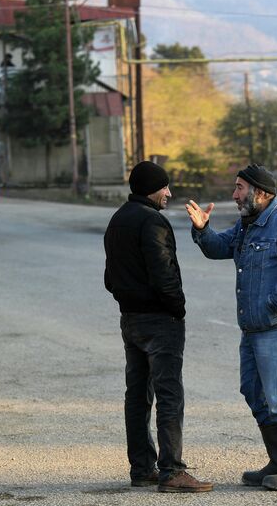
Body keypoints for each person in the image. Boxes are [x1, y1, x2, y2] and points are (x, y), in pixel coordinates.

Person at [185, 164, 277, 491]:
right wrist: (203, 230)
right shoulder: (248, 224)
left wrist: (276, 304)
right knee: (254, 392)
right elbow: (219, 248)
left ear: (260, 192)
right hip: (254, 325)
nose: (234, 195)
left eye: (239, 188)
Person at [104, 160, 213, 493]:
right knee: (169, 395)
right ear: (151, 188)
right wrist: (177, 307)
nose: (169, 193)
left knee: (137, 396)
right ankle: (171, 471)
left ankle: (142, 468)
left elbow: (110, 278)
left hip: (130, 319)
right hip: (159, 321)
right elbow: (163, 272)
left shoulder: (118, 219)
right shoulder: (153, 221)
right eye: (164, 187)